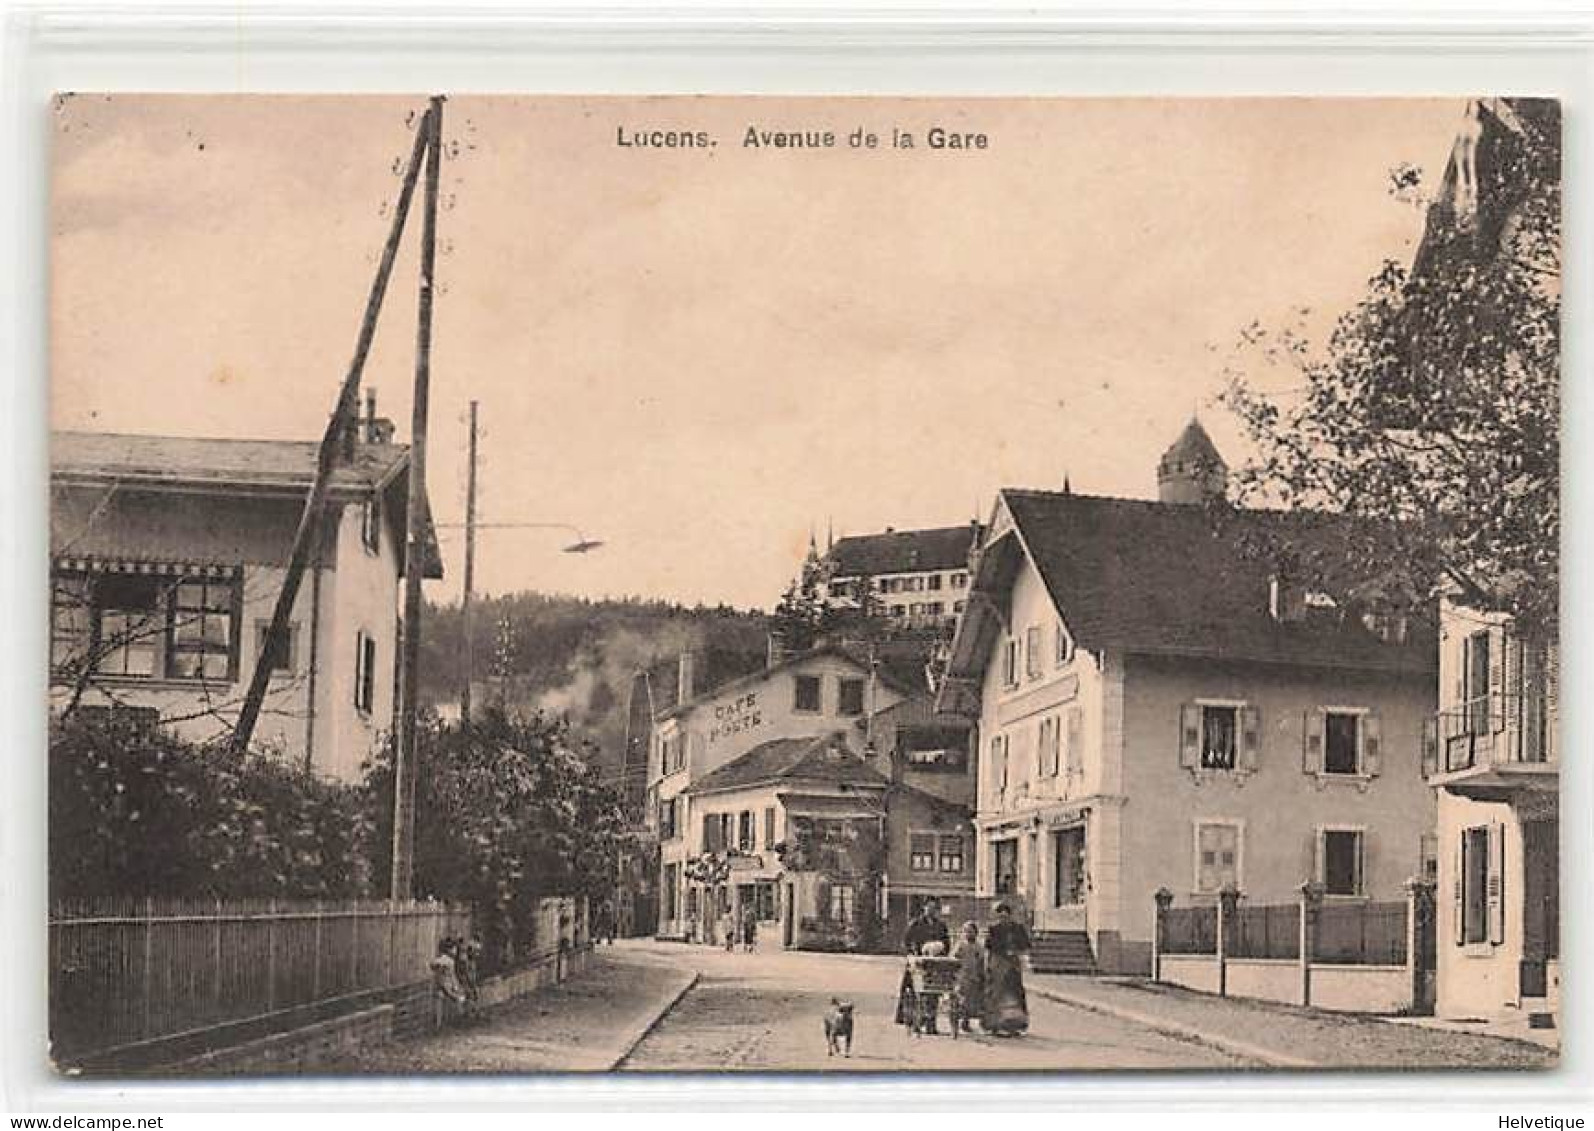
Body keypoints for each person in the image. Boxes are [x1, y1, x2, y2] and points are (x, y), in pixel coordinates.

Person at [896, 901, 952, 1032]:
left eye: (934, 908)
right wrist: (912, 954)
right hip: (918, 963)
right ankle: (916, 1021)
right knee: (916, 992)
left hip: (935, 964)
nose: (931, 910)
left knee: (933, 993)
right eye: (929, 907)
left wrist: (941, 953)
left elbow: (947, 943)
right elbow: (906, 942)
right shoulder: (916, 924)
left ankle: (931, 1023)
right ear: (924, 908)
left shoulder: (941, 926)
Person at [982, 902, 1033, 1036]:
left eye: (1006, 915)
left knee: (1015, 992)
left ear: (1010, 915)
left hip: (1013, 965)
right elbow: (989, 946)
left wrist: (1017, 952)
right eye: (1000, 915)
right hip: (998, 964)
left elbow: (1026, 944)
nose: (1003, 918)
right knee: (996, 993)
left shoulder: (1018, 928)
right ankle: (995, 1024)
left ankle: (1016, 1024)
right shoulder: (993, 929)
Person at [951, 920, 986, 1034]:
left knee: (972, 1000)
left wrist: (982, 975)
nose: (968, 934)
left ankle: (966, 1021)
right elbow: (953, 958)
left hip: (974, 976)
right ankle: (957, 1020)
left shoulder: (979, 947)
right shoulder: (960, 945)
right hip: (962, 976)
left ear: (976, 933)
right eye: (966, 932)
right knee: (961, 999)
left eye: (971, 932)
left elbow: (981, 962)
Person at [429, 937, 466, 1027]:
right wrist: (455, 986)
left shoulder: (442, 959)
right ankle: (455, 1019)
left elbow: (433, 964)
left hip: (441, 984)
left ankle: (440, 1023)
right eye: (454, 949)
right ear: (449, 950)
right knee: (457, 997)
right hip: (445, 984)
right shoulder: (449, 961)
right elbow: (451, 975)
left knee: (441, 1001)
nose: (456, 951)